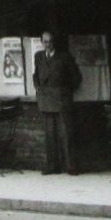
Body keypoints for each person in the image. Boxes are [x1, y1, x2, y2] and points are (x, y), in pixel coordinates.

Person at [33, 30, 82, 175]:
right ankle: (52, 166)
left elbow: (76, 77)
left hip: (62, 101)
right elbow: (36, 75)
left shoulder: (64, 57)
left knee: (66, 134)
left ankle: (70, 166)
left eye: (50, 42)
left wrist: (65, 91)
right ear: (41, 42)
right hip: (46, 100)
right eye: (45, 42)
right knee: (50, 135)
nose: (48, 45)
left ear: (54, 42)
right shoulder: (39, 57)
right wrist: (38, 88)